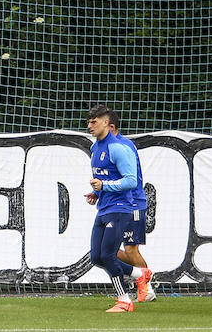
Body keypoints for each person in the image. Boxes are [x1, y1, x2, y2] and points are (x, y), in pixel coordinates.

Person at [82, 104, 143, 313]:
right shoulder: (94, 148)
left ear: (107, 123)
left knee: (108, 256)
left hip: (120, 208)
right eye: (89, 122)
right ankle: (139, 274)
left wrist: (104, 186)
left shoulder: (118, 148)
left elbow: (131, 181)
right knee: (96, 257)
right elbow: (106, 177)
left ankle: (124, 300)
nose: (90, 126)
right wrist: (97, 193)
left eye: (94, 122)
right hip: (104, 207)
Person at [110, 126, 155, 303]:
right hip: (118, 205)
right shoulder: (110, 146)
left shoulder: (124, 146)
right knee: (106, 251)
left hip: (133, 203)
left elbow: (129, 179)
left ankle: (147, 289)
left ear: (110, 126)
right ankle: (143, 278)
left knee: (131, 249)